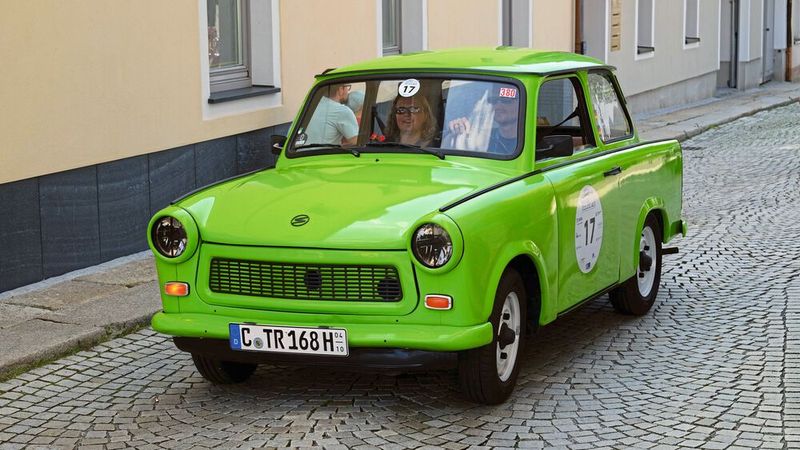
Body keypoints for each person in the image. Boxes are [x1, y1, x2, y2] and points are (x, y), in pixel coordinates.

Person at [446, 90, 519, 155]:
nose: (498, 106)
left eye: (506, 100)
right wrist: (456, 131)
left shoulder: (529, 142)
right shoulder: (482, 136)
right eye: (493, 100)